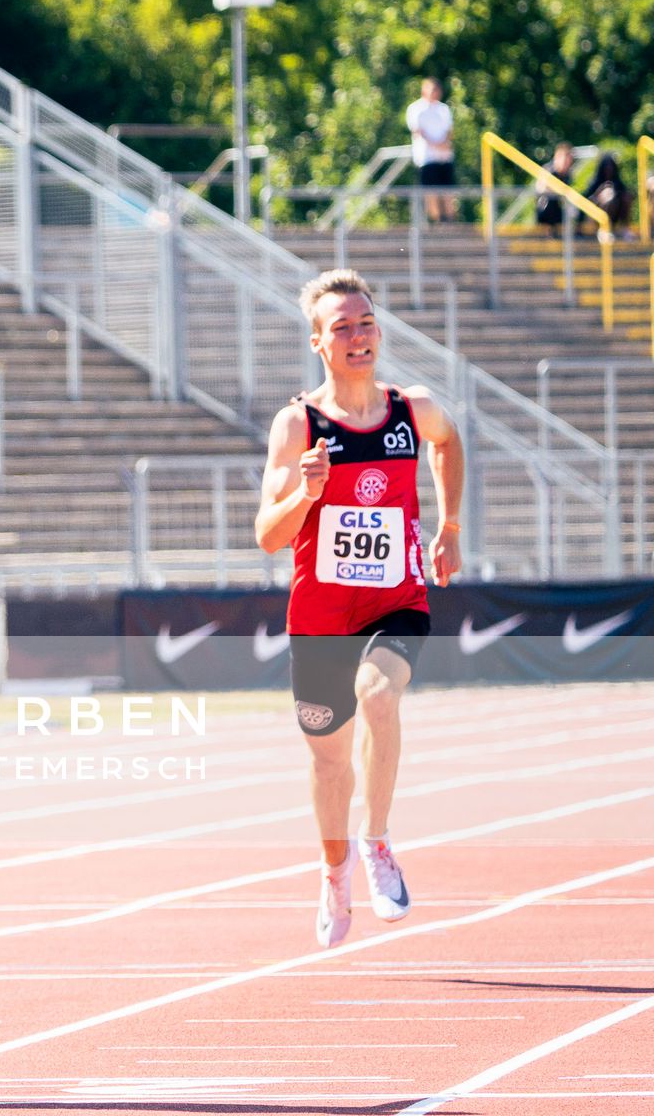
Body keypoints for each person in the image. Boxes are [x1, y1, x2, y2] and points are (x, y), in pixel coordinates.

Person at [254, 268, 463, 950]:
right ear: (318, 341)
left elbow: (449, 440)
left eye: (366, 323)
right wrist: (306, 495)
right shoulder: (299, 425)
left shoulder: (413, 410)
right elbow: (268, 536)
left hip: (397, 601)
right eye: (341, 327)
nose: (357, 336)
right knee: (327, 763)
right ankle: (335, 866)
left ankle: (376, 840)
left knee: (380, 695)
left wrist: (449, 525)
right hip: (320, 615)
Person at [404, 77, 455, 224]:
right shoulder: (416, 108)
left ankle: (449, 222)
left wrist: (443, 144)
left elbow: (449, 132)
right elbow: (417, 131)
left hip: (444, 157)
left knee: (448, 193)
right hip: (427, 158)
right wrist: (435, 145)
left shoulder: (443, 109)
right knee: (431, 193)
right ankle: (437, 222)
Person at [582, 152, 631, 236]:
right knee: (608, 196)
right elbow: (586, 199)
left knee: (625, 197)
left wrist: (614, 192)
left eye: (611, 166)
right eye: (606, 166)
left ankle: (624, 228)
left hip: (615, 214)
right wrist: (600, 194)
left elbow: (625, 195)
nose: (609, 169)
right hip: (597, 216)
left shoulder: (617, 182)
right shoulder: (595, 182)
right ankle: (604, 229)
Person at [535, 142, 578, 231]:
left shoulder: (568, 175)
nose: (568, 162)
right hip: (546, 210)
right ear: (557, 157)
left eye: (569, 158)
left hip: (559, 210)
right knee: (551, 202)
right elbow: (539, 189)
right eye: (565, 157)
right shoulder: (548, 170)